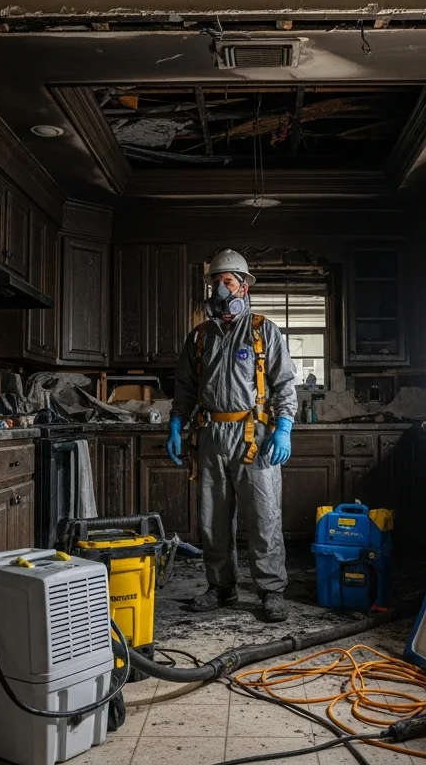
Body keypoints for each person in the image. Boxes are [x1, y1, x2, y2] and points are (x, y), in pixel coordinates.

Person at [167, 249, 297, 623]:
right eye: (215, 282)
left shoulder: (263, 330)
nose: (221, 289)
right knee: (213, 519)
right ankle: (220, 586)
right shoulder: (199, 337)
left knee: (263, 517)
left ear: (244, 286)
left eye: (228, 282)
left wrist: (284, 428)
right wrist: (176, 423)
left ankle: (271, 590)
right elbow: (185, 389)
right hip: (210, 435)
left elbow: (285, 385)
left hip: (253, 435)